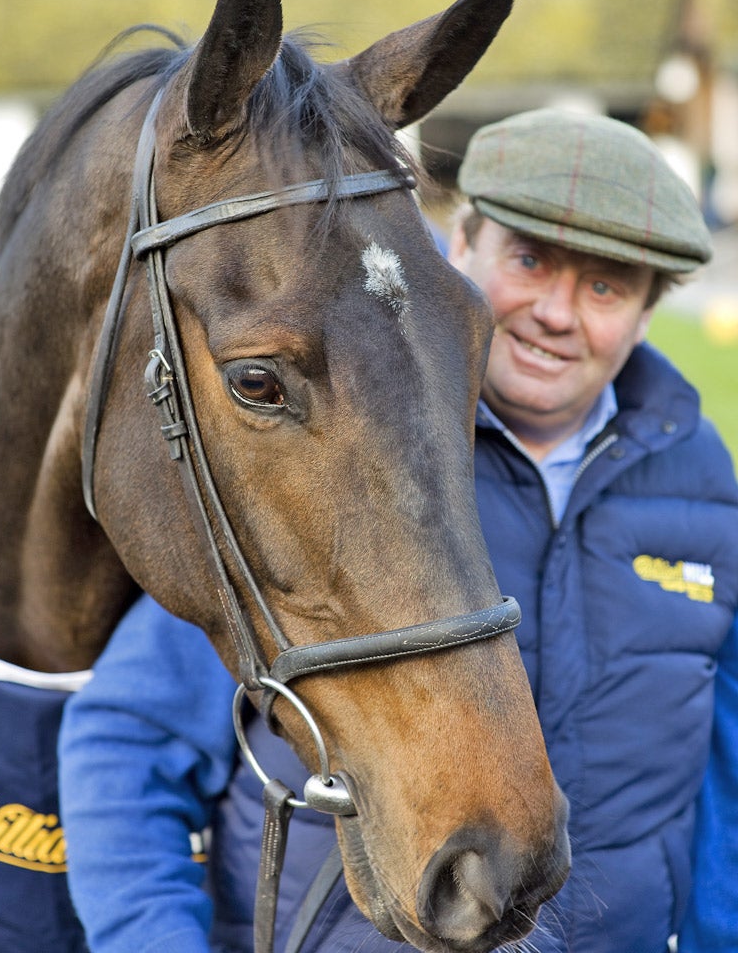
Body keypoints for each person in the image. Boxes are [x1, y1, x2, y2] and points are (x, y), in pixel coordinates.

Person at [59, 108, 738, 953]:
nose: (559, 313)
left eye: (605, 287)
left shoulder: (703, 481)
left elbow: (721, 779)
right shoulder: (331, 454)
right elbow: (128, 743)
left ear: (646, 312)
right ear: (461, 247)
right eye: (530, 262)